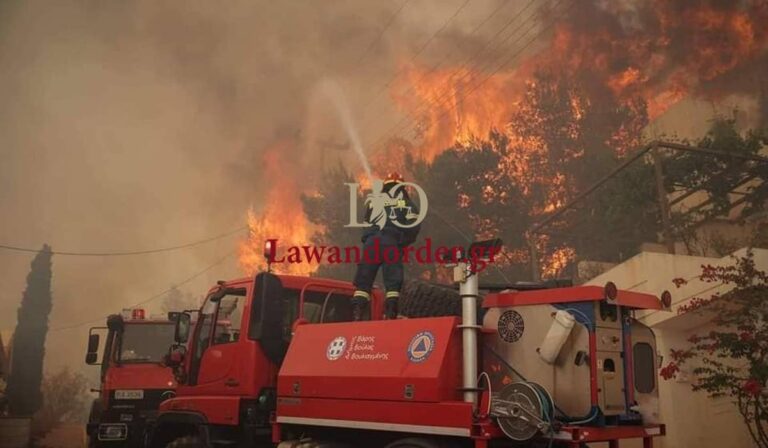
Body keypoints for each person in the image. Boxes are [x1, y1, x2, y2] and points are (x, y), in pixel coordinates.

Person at [351, 172, 421, 320]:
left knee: (364, 279)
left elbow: (366, 223)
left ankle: (357, 313)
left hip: (372, 243)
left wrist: (369, 239)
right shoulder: (407, 204)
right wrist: (401, 242)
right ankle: (391, 314)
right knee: (393, 282)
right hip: (391, 242)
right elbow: (413, 226)